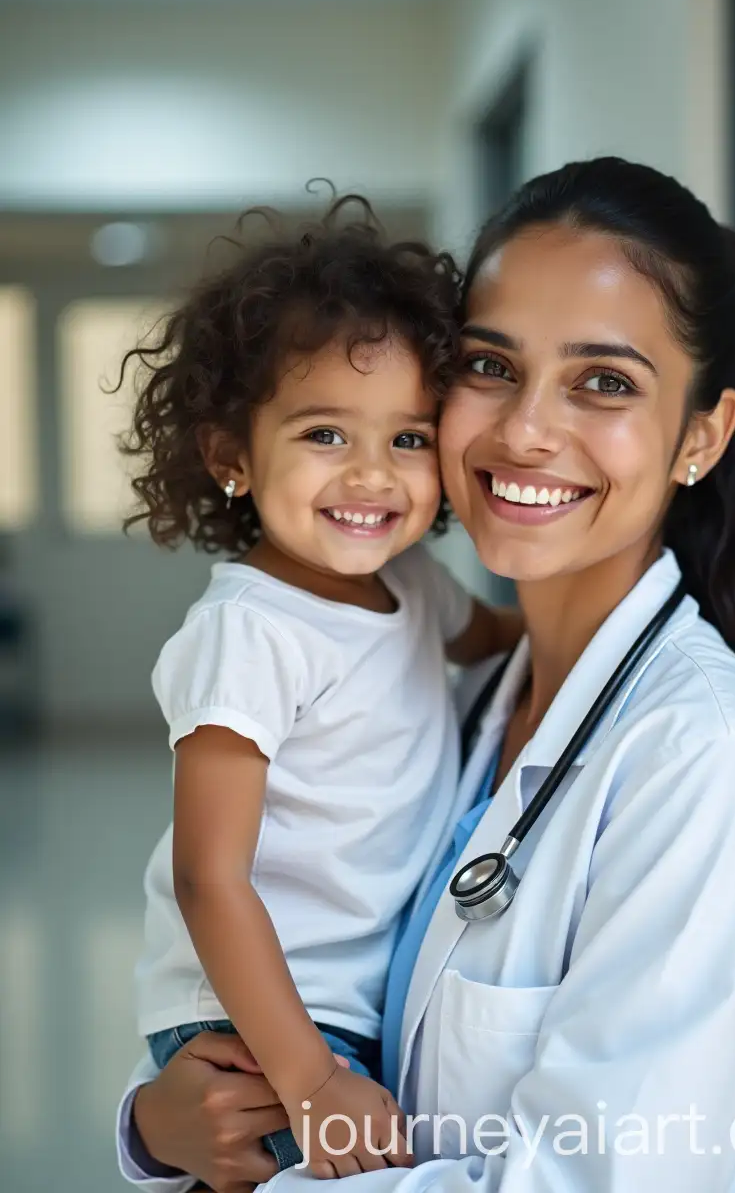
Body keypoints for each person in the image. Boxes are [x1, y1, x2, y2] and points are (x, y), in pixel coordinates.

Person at [117, 158, 735, 1192]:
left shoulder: (709, 767)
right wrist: (161, 1128)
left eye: (604, 382)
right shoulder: (459, 691)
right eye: (489, 366)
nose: (523, 431)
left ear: (701, 435)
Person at [122, 202, 522, 1178]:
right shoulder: (247, 630)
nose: (373, 476)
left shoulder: (416, 585)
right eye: (325, 434)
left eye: (408, 438)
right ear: (230, 457)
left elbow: (525, 644)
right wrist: (307, 1076)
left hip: (348, 1009)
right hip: (255, 1020)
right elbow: (206, 876)